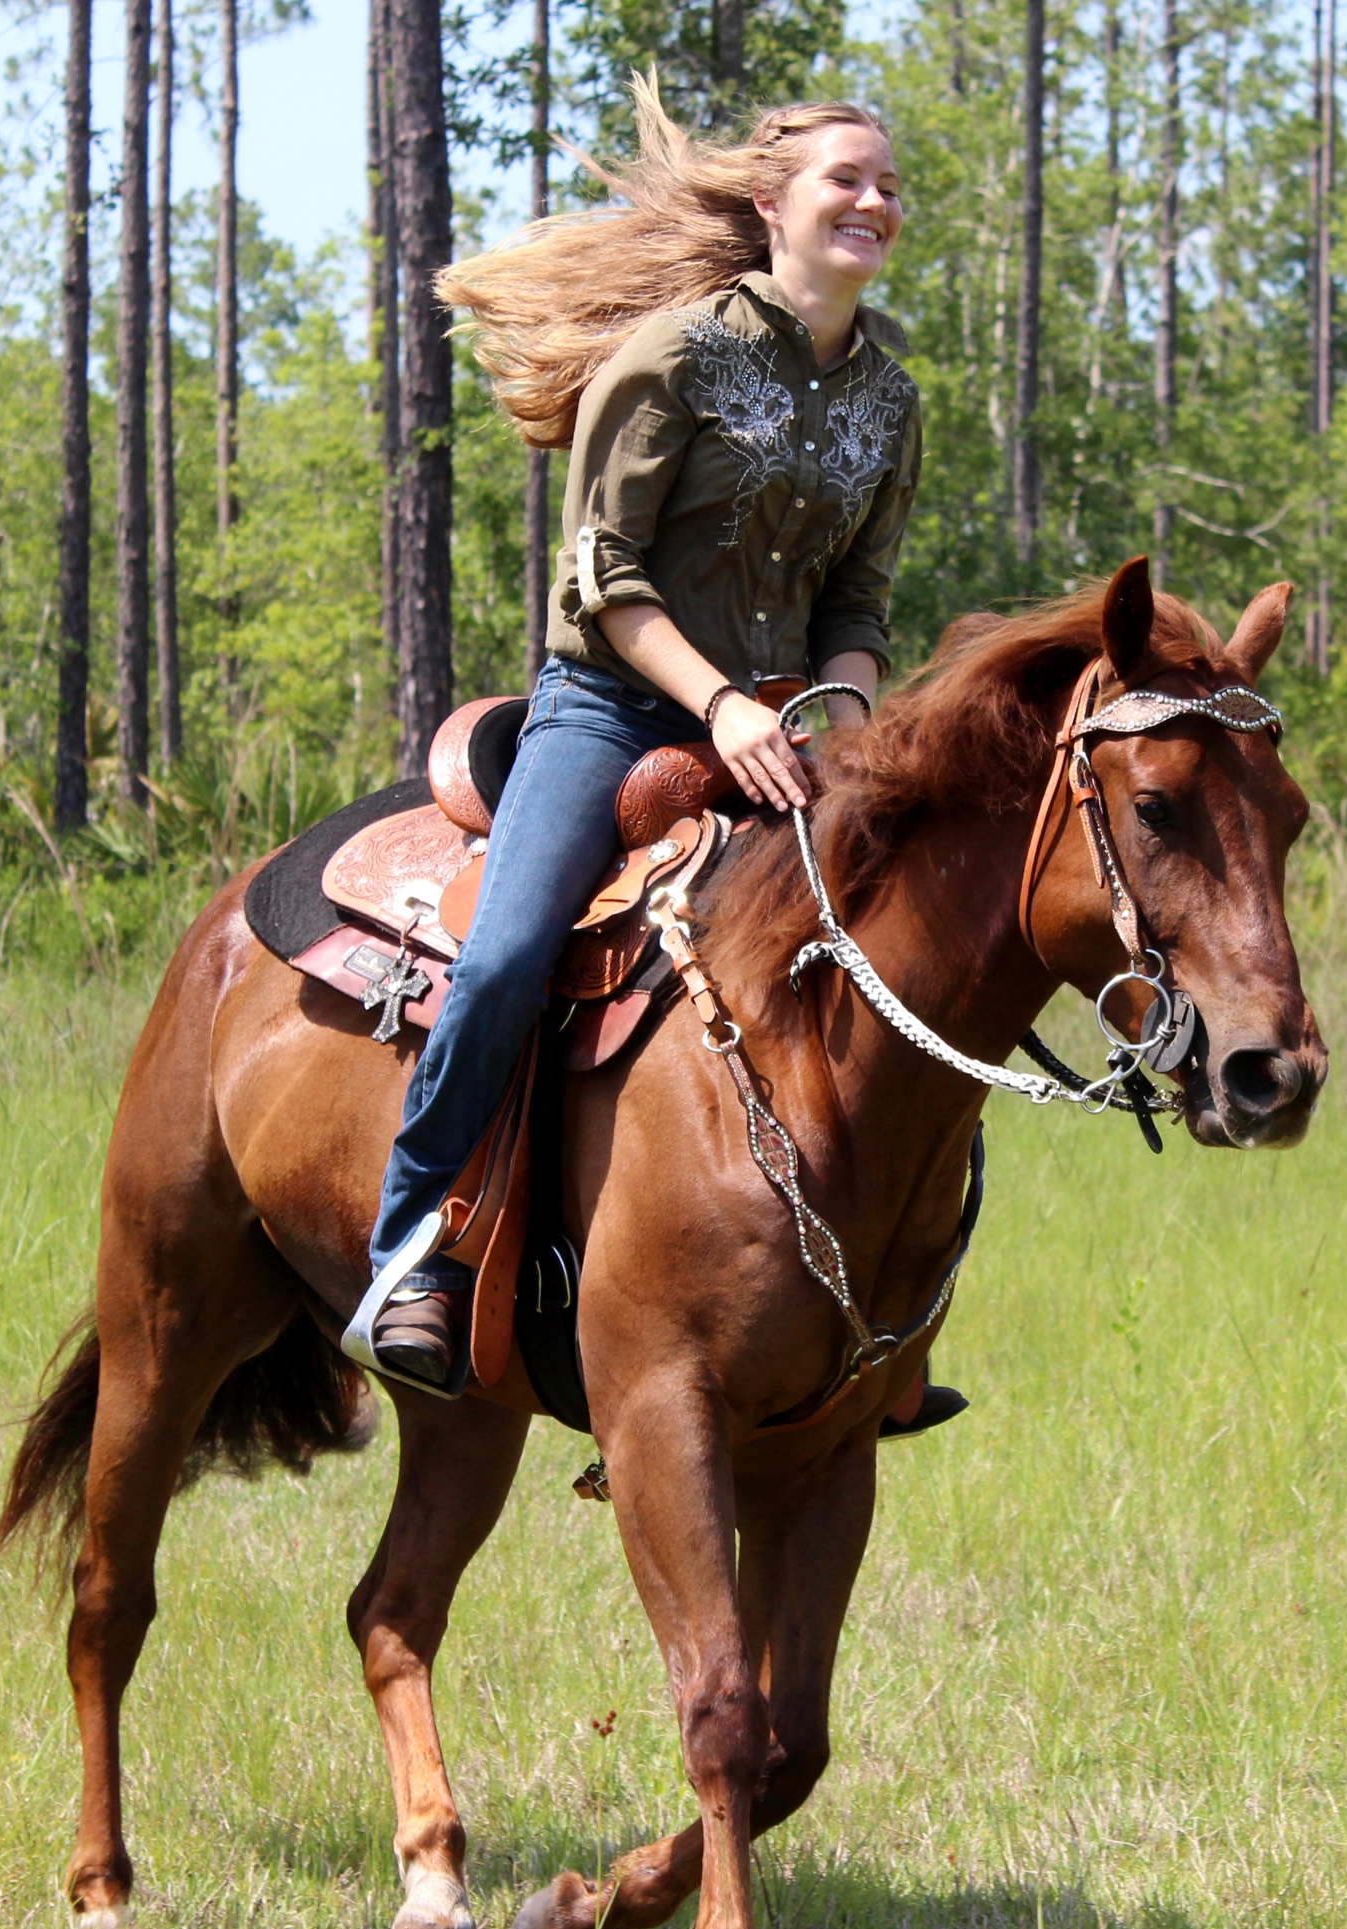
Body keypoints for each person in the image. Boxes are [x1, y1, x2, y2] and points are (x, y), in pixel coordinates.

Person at [349, 76, 941, 1428]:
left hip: (793, 725)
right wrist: (721, 708)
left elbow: (856, 603)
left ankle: (873, 1310)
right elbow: (604, 579)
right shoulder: (670, 355)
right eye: (846, 178)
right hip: (612, 707)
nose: (873, 201)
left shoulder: (891, 400)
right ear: (770, 202)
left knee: (919, 952)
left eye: (889, 186)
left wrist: (842, 714)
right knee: (507, 954)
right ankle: (418, 1243)